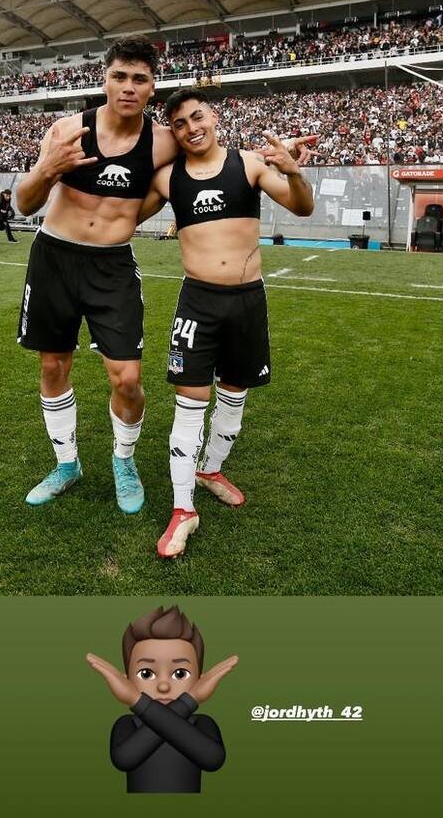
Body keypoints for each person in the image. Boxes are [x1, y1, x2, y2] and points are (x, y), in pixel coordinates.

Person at [138, 86, 315, 558]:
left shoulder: (249, 165)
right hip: (198, 302)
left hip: (247, 302)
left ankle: (210, 469)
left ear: (212, 115)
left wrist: (294, 171)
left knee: (235, 392)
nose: (192, 128)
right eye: (180, 124)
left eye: (197, 117)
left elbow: (303, 206)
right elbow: (120, 215)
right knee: (189, 400)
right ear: (172, 132)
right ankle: (183, 510)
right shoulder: (166, 178)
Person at [14, 36, 178, 513]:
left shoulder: (163, 142)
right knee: (53, 364)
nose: (128, 87)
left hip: (111, 265)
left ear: (152, 87)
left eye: (139, 79)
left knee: (127, 379)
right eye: (119, 77)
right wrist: (49, 167)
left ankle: (122, 461)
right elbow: (25, 203)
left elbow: (193, 175)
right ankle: (67, 464)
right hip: (54, 257)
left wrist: (135, 214)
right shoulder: (68, 130)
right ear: (105, 80)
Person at [86, 605, 235, 794]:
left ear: (200, 678)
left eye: (180, 674)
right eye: (146, 674)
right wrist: (191, 699)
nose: (163, 687)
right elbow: (124, 759)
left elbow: (213, 759)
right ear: (127, 680)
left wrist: (137, 701)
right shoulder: (126, 723)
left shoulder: (202, 723)